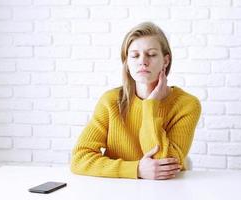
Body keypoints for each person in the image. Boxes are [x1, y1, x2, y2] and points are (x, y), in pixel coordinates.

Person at [71, 22, 201, 180]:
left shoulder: (187, 105)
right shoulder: (110, 101)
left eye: (151, 54)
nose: (143, 61)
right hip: (119, 190)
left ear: (166, 61)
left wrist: (150, 104)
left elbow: (163, 165)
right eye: (135, 55)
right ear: (127, 62)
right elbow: (79, 159)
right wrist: (136, 169)